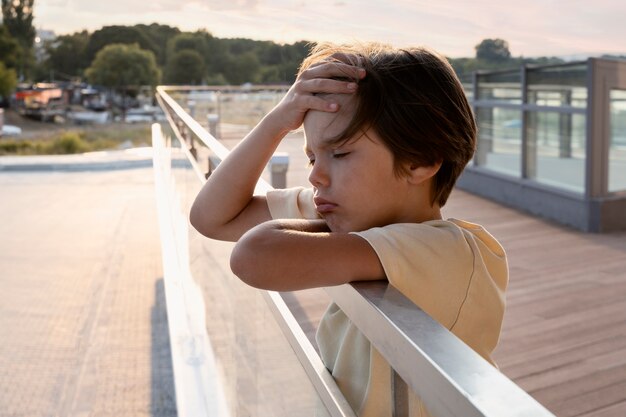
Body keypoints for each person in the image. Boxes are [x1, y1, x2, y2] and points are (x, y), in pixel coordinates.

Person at [190, 42, 508, 417]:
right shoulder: (351, 213)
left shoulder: (453, 250)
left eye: (339, 153)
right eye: (312, 156)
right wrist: (278, 119)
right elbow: (212, 218)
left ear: (420, 161)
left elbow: (253, 255)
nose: (315, 175)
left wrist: (330, 228)